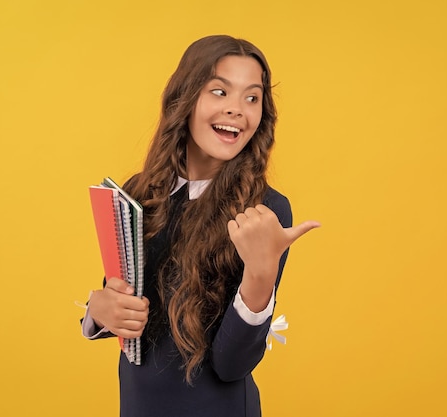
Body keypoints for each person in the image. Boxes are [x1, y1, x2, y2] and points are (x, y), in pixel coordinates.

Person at [81, 34, 319, 417]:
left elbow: (232, 365)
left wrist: (261, 275)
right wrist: (98, 310)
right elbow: (119, 298)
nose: (238, 110)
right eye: (220, 92)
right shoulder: (136, 194)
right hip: (139, 406)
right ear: (185, 98)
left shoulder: (265, 212)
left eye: (252, 97)